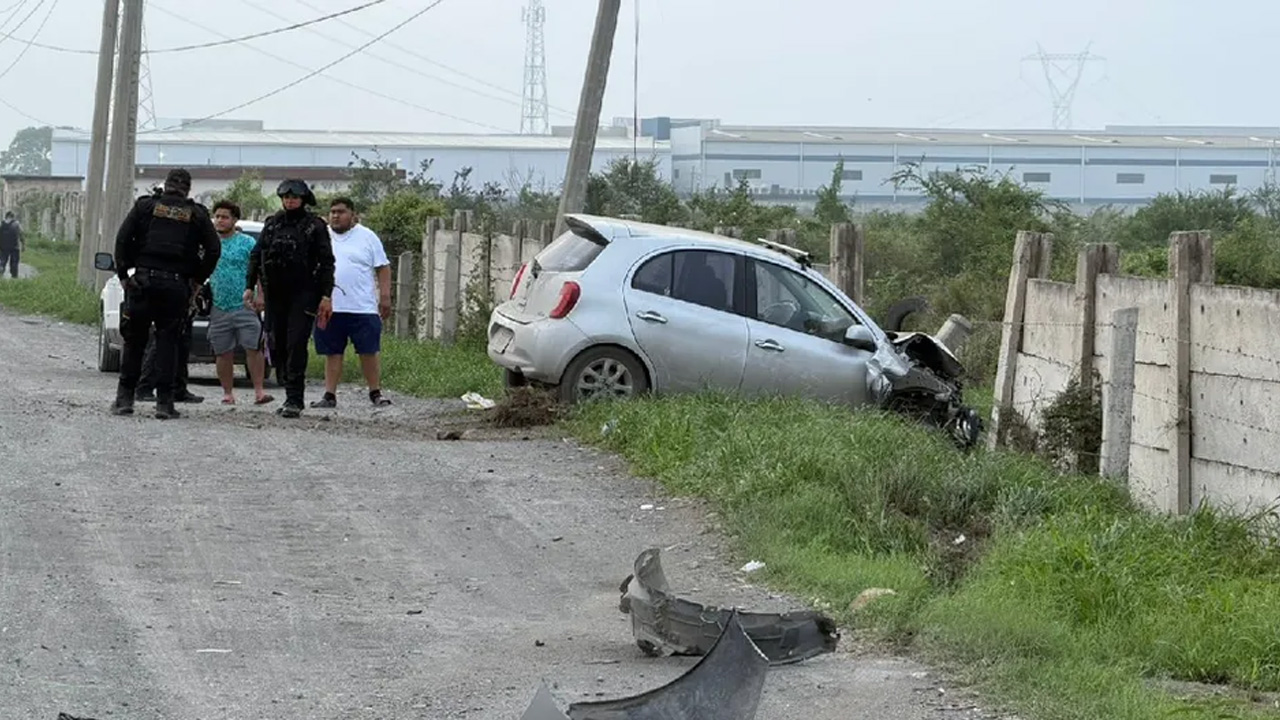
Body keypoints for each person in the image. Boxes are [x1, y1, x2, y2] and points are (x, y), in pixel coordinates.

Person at [109, 168, 220, 419]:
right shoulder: (196, 214)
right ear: (188, 189)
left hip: (143, 283)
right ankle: (164, 404)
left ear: (166, 185)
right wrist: (197, 281)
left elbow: (122, 240)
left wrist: (124, 276)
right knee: (168, 344)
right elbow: (213, 250)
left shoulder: (145, 207)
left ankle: (125, 400)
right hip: (176, 287)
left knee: (135, 342)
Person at [246, 178, 334, 418]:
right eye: (286, 197)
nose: (290, 201)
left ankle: (295, 399)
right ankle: (287, 390)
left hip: (304, 294)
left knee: (296, 344)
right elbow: (256, 255)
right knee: (277, 344)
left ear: (303, 199)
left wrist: (326, 295)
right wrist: (250, 286)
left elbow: (327, 262)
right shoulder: (273, 224)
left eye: (294, 197)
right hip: (276, 294)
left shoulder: (314, 226)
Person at [311, 197, 393, 409]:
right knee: (332, 352)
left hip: (362, 307)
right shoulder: (321, 237)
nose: (336, 216)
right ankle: (329, 395)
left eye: (341, 212)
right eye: (332, 212)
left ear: (353, 215)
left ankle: (375, 392)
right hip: (329, 306)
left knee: (368, 351)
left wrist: (385, 296)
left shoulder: (367, 237)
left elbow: (383, 266)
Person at [134, 180, 203, 404]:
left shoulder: (193, 219)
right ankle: (146, 387)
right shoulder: (153, 213)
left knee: (180, 340)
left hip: (179, 284)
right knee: (163, 339)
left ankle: (177, 388)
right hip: (169, 284)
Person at [208, 200, 273, 406]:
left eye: (225, 217)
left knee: (253, 348)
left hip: (245, 304)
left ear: (234, 220)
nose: (220, 220)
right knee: (222, 351)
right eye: (217, 216)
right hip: (219, 305)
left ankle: (259, 392)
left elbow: (259, 271)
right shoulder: (210, 243)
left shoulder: (247, 243)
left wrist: (261, 295)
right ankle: (227, 393)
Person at [0, 211, 23, 279]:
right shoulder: (17, 224)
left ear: (6, 216)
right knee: (14, 262)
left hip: (3, 247)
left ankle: (1, 271)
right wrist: (23, 244)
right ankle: (14, 277)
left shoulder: (1, 224)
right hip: (15, 247)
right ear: (13, 216)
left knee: (3, 261)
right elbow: (21, 234)